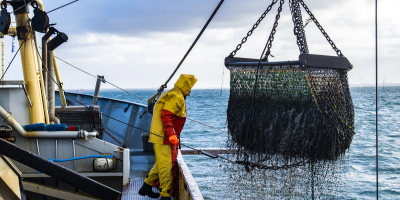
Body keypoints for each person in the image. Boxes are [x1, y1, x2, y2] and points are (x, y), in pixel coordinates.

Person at [139, 74, 197, 200]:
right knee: (167, 167)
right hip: (163, 137)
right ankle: (165, 196)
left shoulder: (174, 93)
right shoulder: (177, 96)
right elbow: (166, 115)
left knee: (161, 163)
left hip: (160, 136)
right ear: (185, 86)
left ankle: (146, 186)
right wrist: (171, 135)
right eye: (190, 87)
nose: (191, 90)